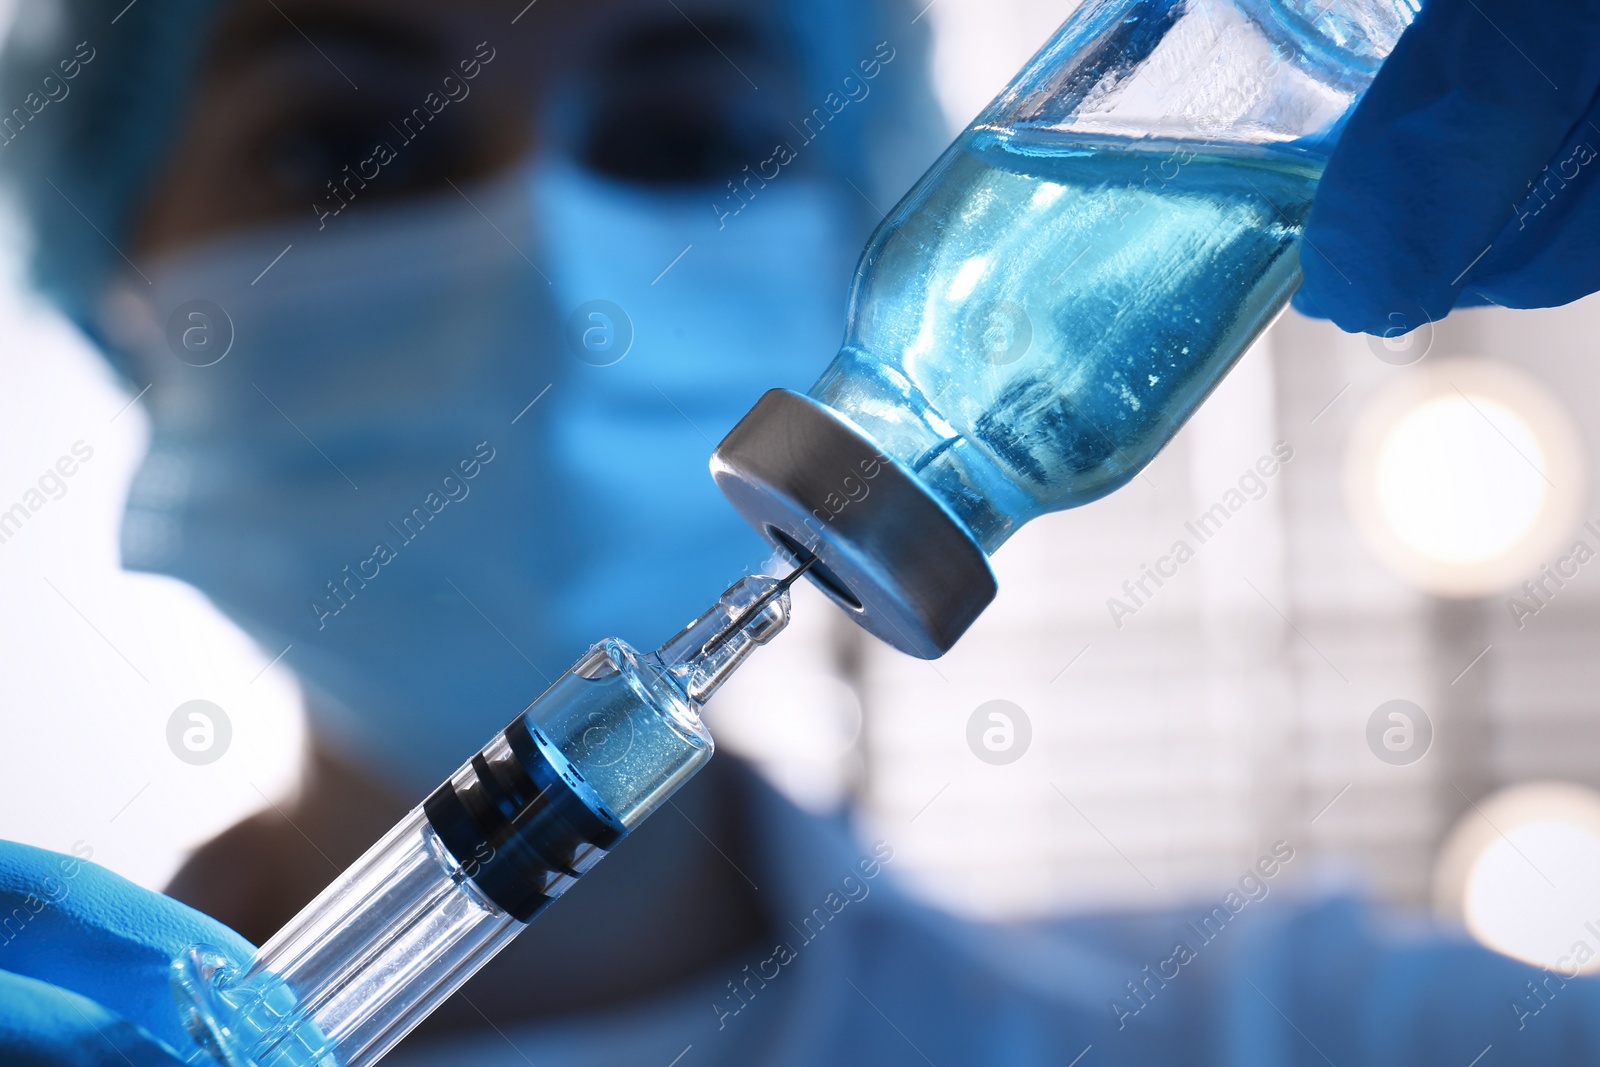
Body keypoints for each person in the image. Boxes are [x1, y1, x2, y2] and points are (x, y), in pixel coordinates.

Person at [1, 0, 1599, 1064]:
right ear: (117, 280)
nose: (559, 275)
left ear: (871, 218)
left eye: (687, 140)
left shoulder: (1298, 1030)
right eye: (343, 148)